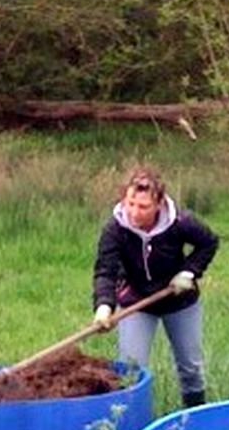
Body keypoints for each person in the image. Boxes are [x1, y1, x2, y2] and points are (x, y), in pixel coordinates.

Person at [93, 165, 219, 408]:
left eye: (143, 207)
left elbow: (209, 243)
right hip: (136, 302)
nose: (134, 213)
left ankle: (195, 419)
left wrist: (188, 272)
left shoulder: (180, 222)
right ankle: (130, 423)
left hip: (179, 300)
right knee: (131, 370)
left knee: (190, 367)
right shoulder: (115, 229)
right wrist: (104, 307)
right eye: (130, 204)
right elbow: (105, 270)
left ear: (159, 204)